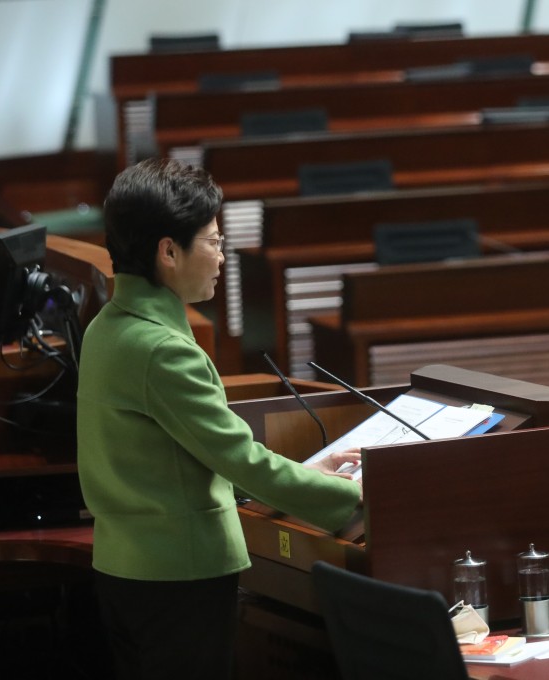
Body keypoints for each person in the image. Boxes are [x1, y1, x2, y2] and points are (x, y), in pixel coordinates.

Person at [77, 158, 363, 680]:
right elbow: (240, 459)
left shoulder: (106, 326)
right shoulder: (161, 348)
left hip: (126, 569)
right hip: (177, 577)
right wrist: (356, 498)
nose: (222, 256)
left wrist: (307, 475)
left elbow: (168, 459)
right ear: (168, 251)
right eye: (212, 241)